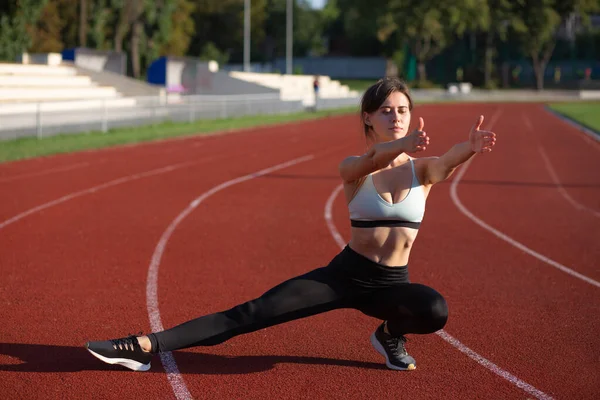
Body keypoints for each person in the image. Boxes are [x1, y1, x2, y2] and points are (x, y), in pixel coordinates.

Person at [86, 77, 497, 372]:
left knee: (434, 309)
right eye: (386, 111)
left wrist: (472, 149)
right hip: (344, 276)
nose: (396, 117)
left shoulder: (422, 172)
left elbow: (446, 161)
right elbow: (372, 161)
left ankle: (389, 335)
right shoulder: (354, 169)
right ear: (368, 118)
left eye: (403, 110)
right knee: (250, 313)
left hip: (391, 284)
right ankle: (143, 346)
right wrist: (397, 147)